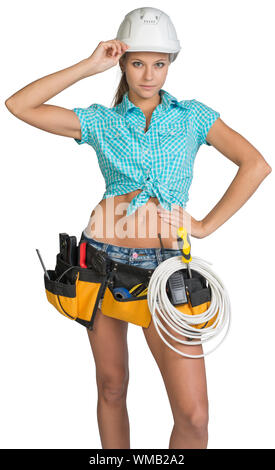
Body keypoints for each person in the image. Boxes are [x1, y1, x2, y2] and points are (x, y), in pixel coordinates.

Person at [5, 6, 271, 450]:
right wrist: (90, 65)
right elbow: (19, 105)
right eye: (137, 62)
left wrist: (203, 226)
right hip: (102, 262)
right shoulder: (101, 121)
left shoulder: (193, 117)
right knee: (111, 387)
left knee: (194, 415)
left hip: (167, 268)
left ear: (171, 64)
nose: (148, 74)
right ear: (122, 62)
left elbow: (256, 164)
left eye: (159, 63)